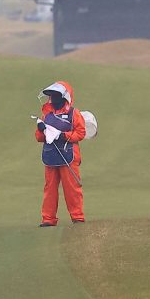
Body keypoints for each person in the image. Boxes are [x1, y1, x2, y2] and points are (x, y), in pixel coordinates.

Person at [34, 80, 87, 227]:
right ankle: (48, 218)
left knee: (72, 188)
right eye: (51, 95)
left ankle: (77, 216)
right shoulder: (46, 114)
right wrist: (41, 129)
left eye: (56, 95)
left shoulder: (74, 113)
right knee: (49, 189)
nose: (53, 98)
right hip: (51, 155)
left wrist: (63, 136)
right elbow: (39, 137)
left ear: (64, 96)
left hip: (68, 155)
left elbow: (81, 133)